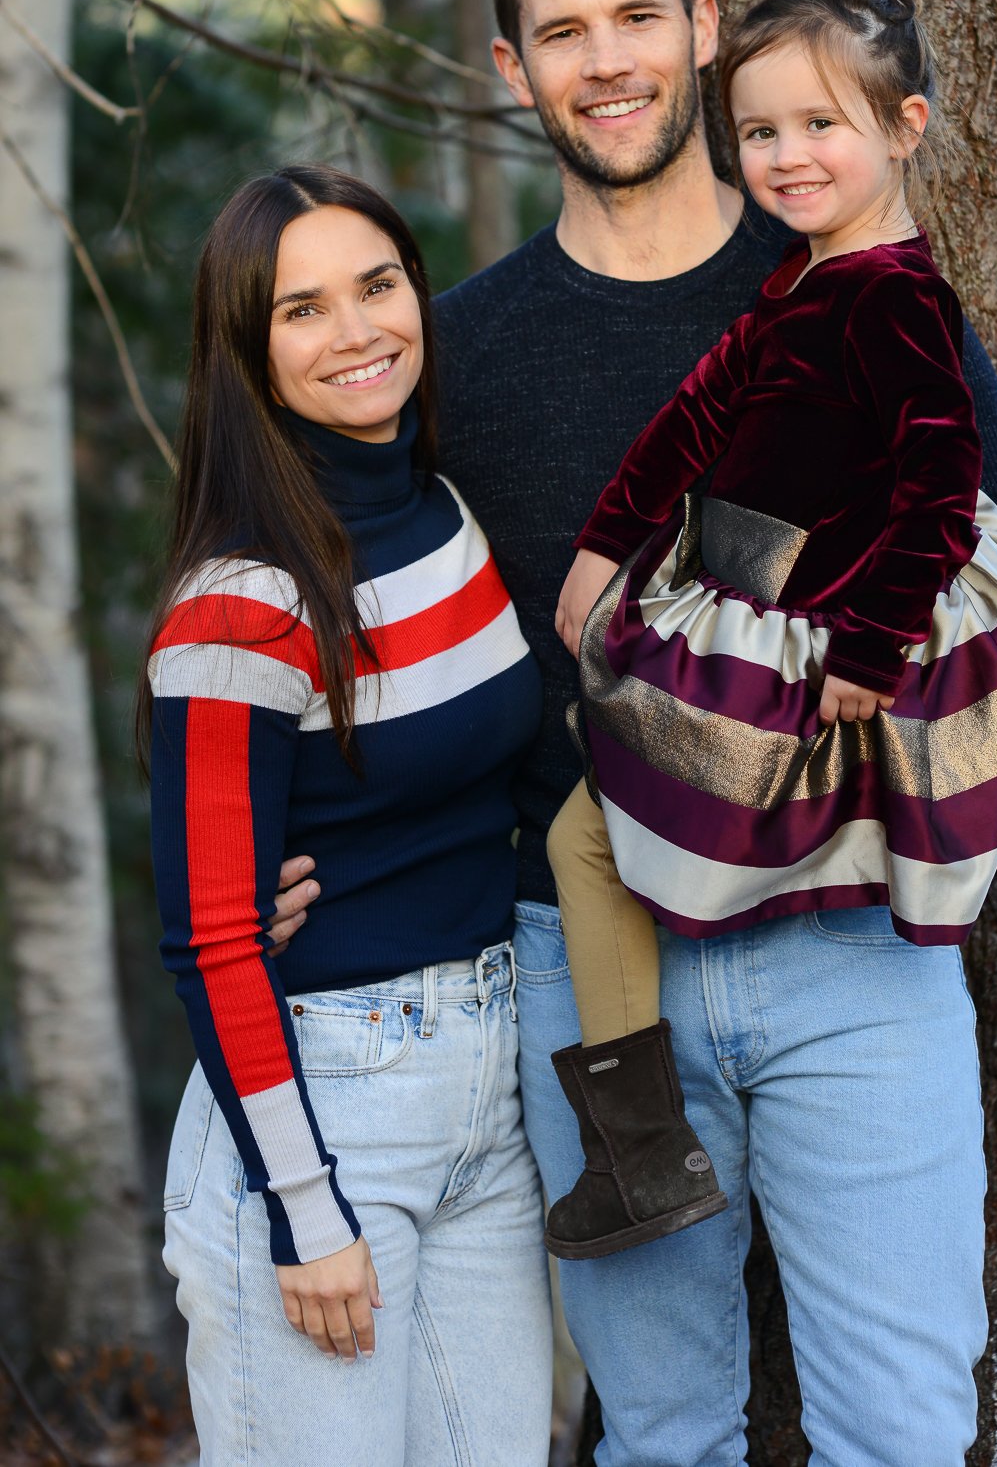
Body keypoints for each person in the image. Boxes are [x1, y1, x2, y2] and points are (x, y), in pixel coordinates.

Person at [542, 0, 997, 1262]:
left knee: (590, 834)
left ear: (903, 127)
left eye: (818, 127)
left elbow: (944, 481)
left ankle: (642, 1154)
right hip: (804, 608)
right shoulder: (801, 289)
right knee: (984, 778)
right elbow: (688, 421)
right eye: (759, 131)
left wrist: (872, 644)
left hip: (851, 620)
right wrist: (601, 553)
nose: (786, 158)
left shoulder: (896, 300)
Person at [139, 166, 552, 1466]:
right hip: (324, 1106)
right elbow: (211, 934)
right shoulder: (240, 601)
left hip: (489, 1088)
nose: (358, 331)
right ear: (249, 356)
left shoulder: (443, 509)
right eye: (303, 310)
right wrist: (303, 1211)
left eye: (377, 286)